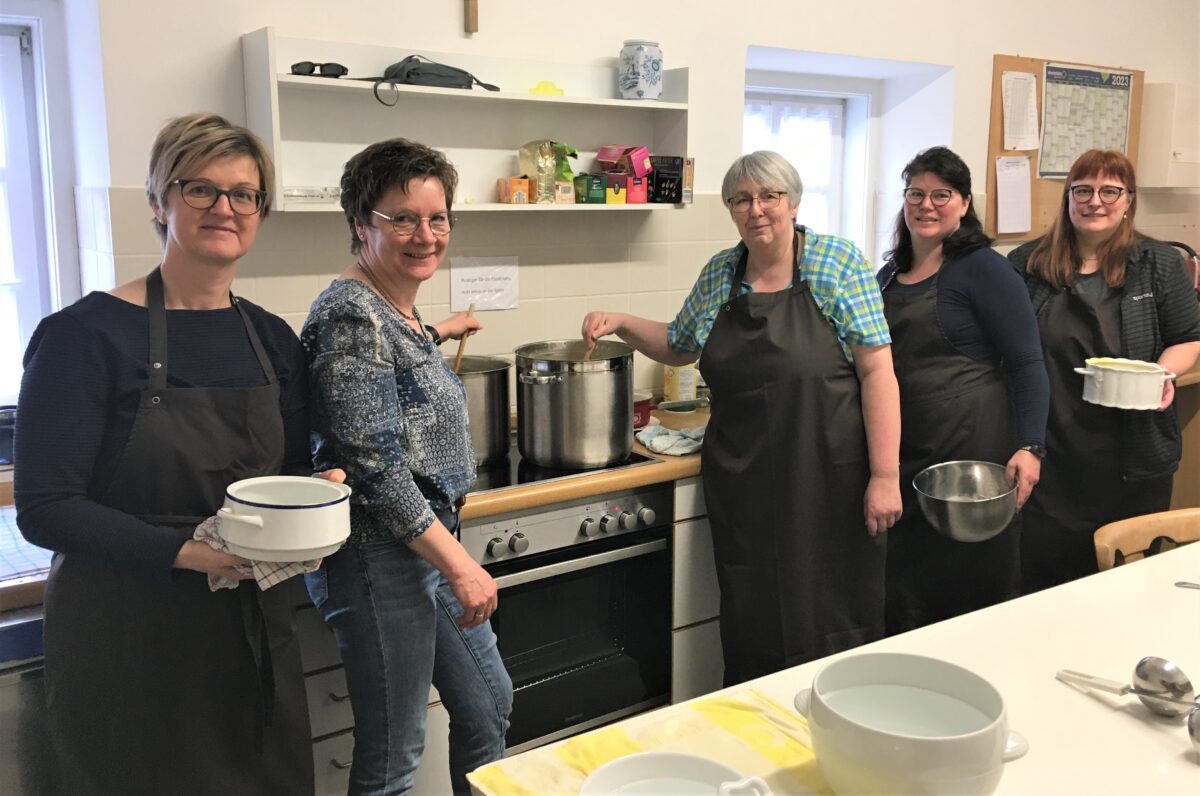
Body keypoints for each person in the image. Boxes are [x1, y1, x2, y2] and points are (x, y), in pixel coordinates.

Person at [15, 113, 327, 793]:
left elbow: (295, 474)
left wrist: (320, 498)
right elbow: (45, 509)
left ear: (259, 212)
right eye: (200, 190)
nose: (225, 208)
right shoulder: (83, 337)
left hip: (249, 641)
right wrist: (188, 553)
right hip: (128, 642)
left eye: (244, 194)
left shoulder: (272, 340)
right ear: (159, 202)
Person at [581, 151, 902, 686]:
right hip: (744, 484)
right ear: (730, 210)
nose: (757, 210)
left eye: (769, 196)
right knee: (754, 615)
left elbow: (878, 373)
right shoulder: (721, 274)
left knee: (833, 608)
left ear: (793, 202)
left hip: (829, 476)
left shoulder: (836, 264)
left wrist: (885, 476)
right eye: (741, 200)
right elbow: (681, 345)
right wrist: (621, 322)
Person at [302, 138, 512, 795]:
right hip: (380, 556)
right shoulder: (347, 316)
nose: (425, 234)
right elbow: (372, 464)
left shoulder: (393, 306)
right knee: (395, 754)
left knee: (487, 704)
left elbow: (392, 370)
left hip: (425, 543)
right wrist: (460, 563)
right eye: (402, 219)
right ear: (362, 224)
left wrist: (436, 332)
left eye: (437, 217)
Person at [1009, 149, 1200, 593]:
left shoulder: (1159, 264)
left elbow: (1189, 338)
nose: (1096, 201)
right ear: (1068, 197)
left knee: (1124, 585)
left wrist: (1163, 375)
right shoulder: (1027, 265)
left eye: (1109, 190)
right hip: (1051, 450)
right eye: (1083, 190)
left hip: (1134, 454)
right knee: (1043, 581)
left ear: (1129, 199)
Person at [877, 147, 1049, 633]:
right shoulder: (890, 273)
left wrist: (1031, 445)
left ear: (964, 203)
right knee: (907, 597)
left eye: (941, 195)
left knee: (969, 600)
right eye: (916, 193)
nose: (926, 205)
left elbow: (1027, 362)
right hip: (906, 456)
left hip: (970, 461)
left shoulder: (984, 269)